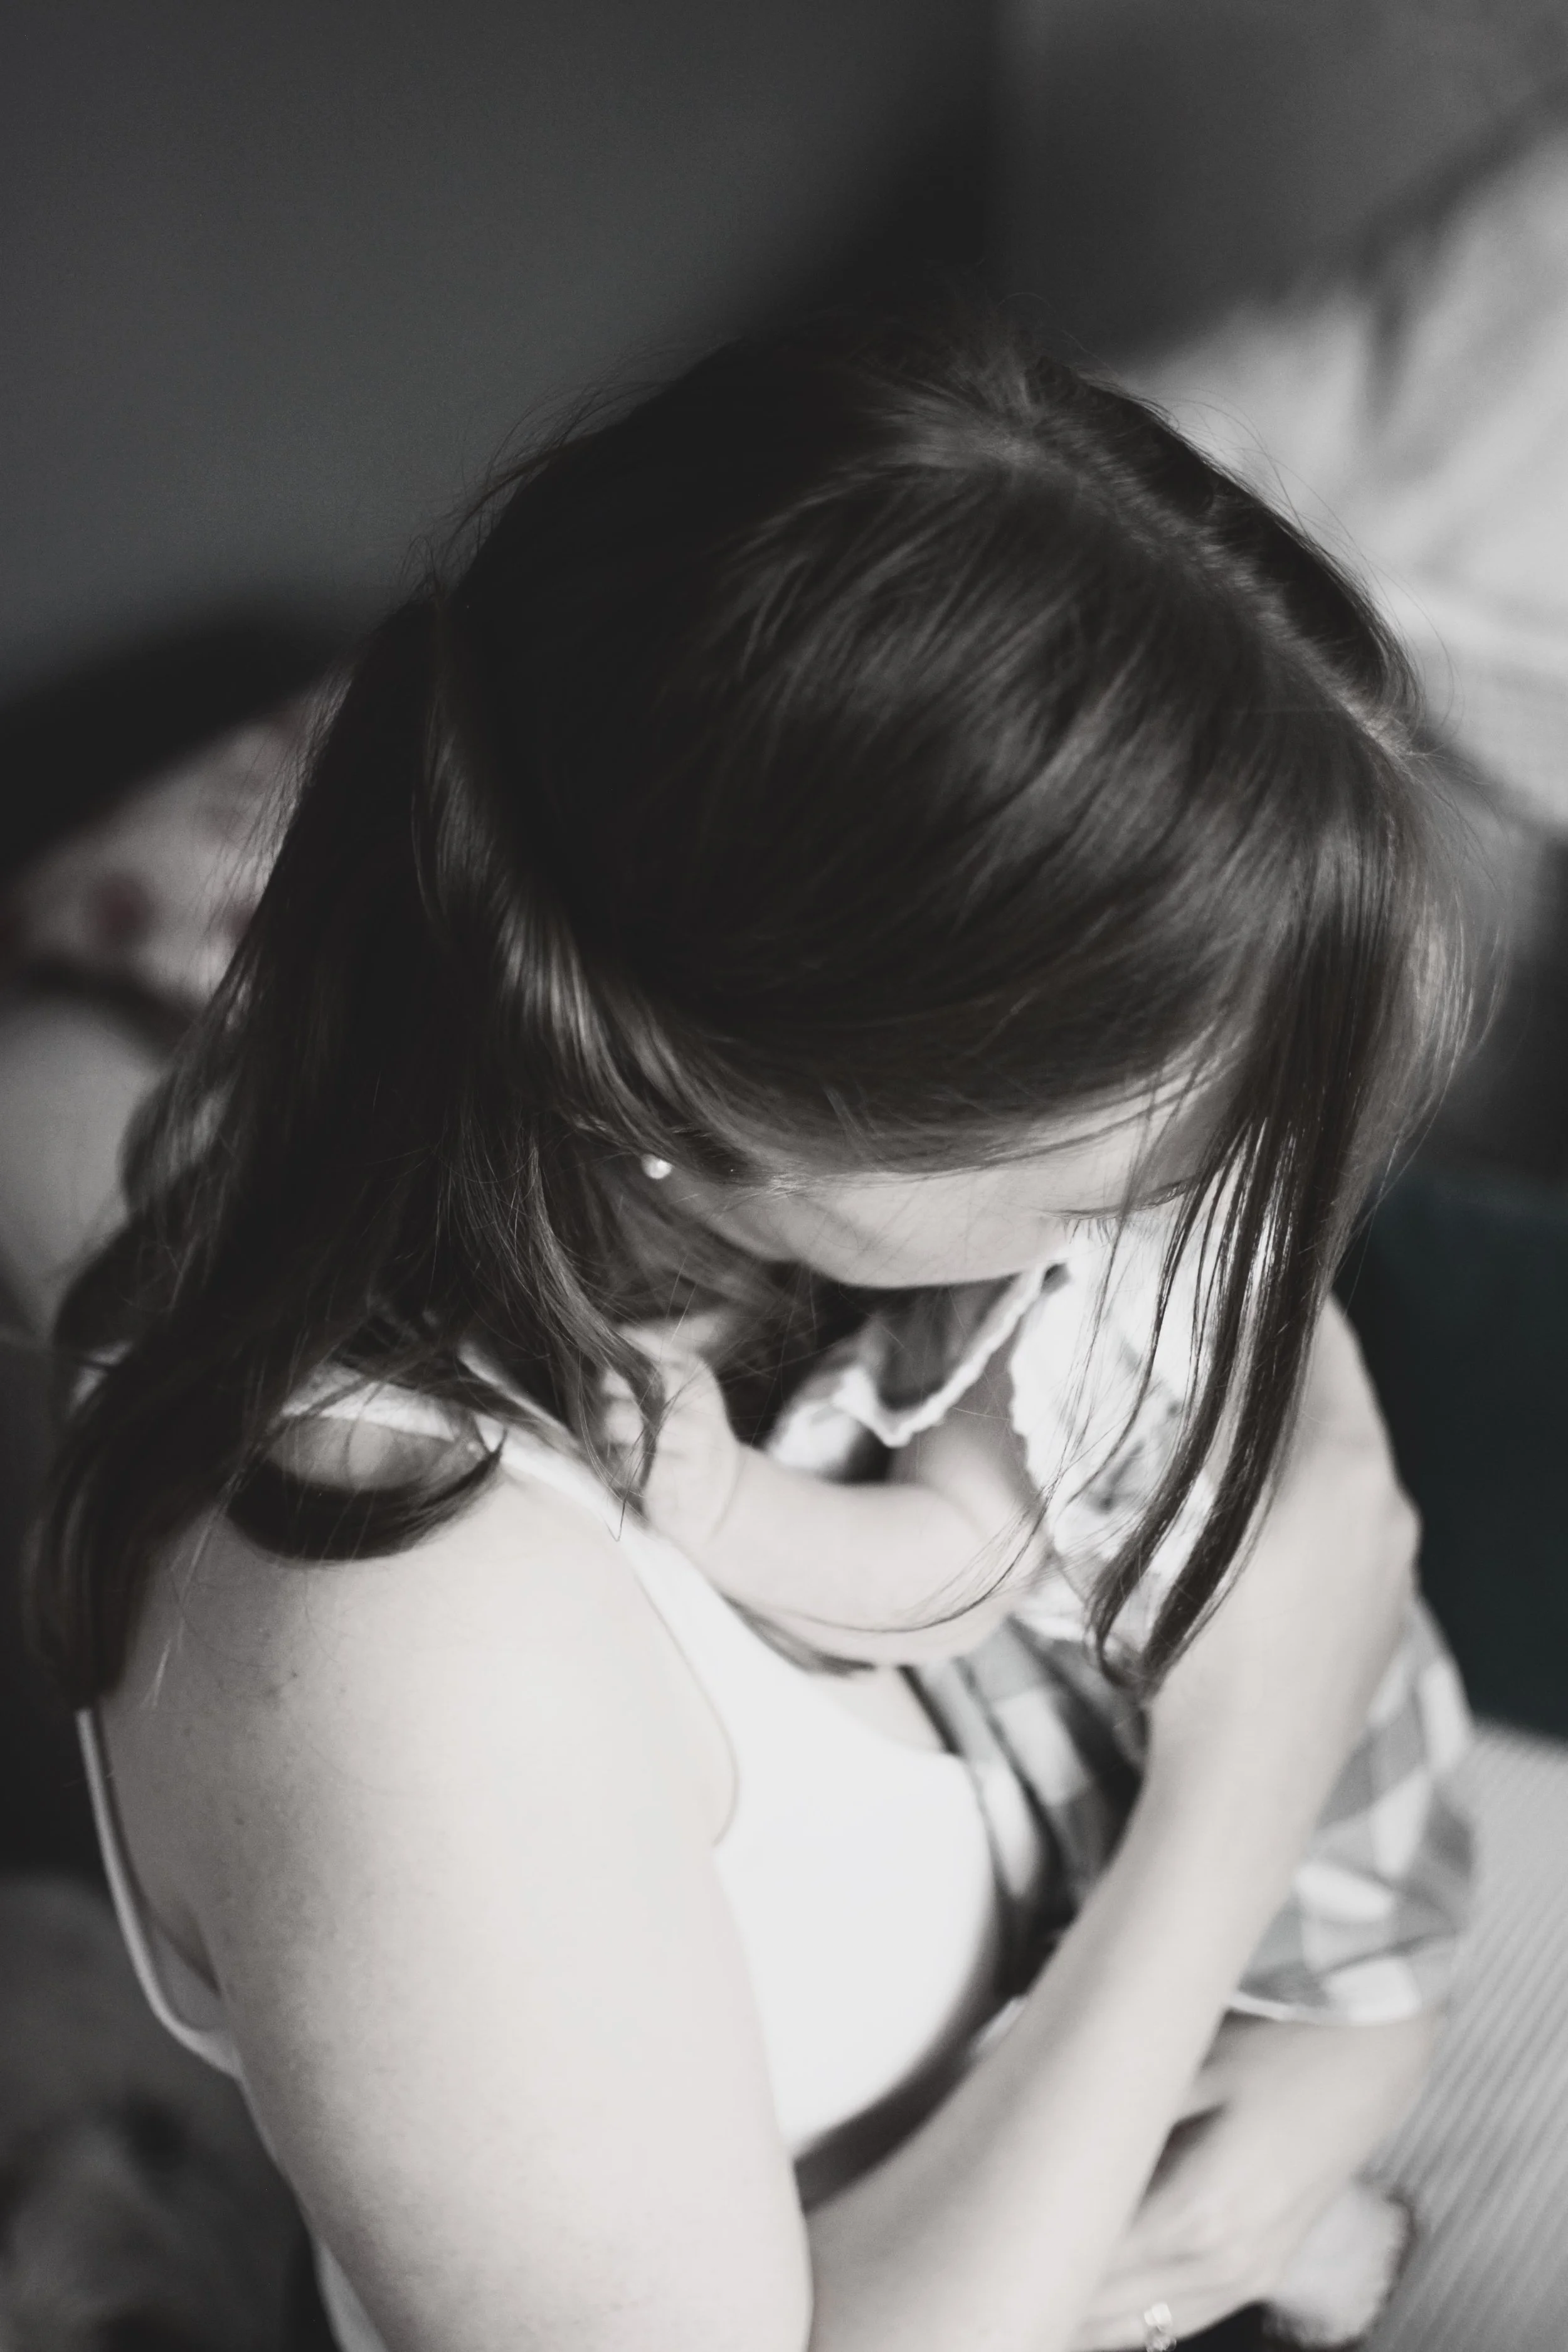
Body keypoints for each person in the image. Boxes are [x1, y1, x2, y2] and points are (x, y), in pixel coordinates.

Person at [31, 310, 1471, 2352]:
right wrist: (1255, 1760)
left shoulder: (754, 1231)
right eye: (1107, 1180)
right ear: (702, 1107)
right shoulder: (404, 1638)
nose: (1184, 1224)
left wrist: (1351, 2033)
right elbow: (1300, 1581)